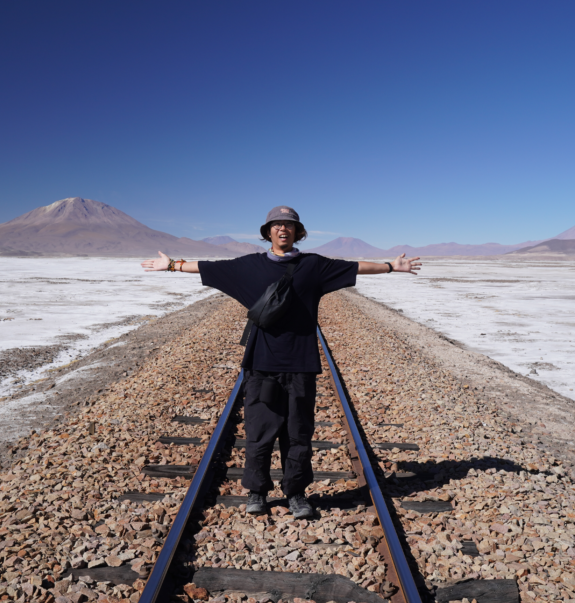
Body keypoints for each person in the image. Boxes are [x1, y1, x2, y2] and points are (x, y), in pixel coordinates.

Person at [141, 206, 421, 518]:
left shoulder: (314, 266)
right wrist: (172, 266)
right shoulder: (248, 266)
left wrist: (391, 266)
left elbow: (355, 267)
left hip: (301, 365)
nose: (283, 229)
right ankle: (257, 492)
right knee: (259, 432)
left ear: (298, 232)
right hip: (262, 364)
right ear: (268, 232)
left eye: (289, 225)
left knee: (298, 434)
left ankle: (296, 493)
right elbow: (209, 267)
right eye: (277, 225)